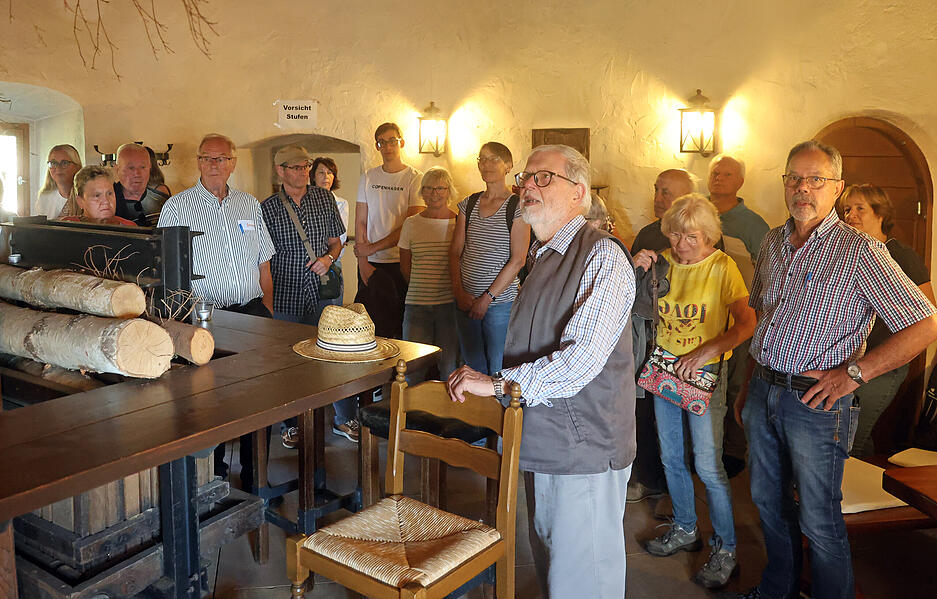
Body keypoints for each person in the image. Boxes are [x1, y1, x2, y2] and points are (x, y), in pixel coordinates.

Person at [726, 141, 937, 599]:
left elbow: (924, 324)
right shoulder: (772, 242)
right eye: (794, 178)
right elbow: (764, 318)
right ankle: (778, 590)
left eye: (816, 179)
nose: (803, 188)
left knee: (819, 518)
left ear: (837, 188)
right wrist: (748, 388)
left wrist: (854, 375)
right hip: (764, 390)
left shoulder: (859, 251)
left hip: (816, 403)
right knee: (768, 503)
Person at [447, 144, 636, 598]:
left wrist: (495, 385)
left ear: (580, 192)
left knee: (584, 578)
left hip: (584, 445)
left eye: (542, 178)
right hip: (547, 437)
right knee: (555, 560)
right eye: (524, 179)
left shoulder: (603, 257)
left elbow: (579, 362)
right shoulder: (543, 255)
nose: (526, 186)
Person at [633, 194, 755, 589]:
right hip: (664, 374)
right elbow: (634, 309)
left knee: (708, 465)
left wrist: (710, 348)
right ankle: (686, 528)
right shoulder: (664, 261)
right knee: (671, 458)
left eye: (692, 237)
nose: (682, 244)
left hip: (704, 378)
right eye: (676, 235)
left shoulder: (722, 266)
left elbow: (746, 323)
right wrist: (637, 269)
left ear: (709, 236)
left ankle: (726, 548)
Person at [158, 133, 276, 487]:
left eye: (221, 159)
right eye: (207, 158)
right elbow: (167, 271)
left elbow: (264, 262)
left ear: (233, 163)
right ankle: (216, 475)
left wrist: (265, 308)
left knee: (260, 396)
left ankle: (257, 474)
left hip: (253, 313)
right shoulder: (177, 207)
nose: (214, 165)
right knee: (212, 400)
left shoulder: (249, 205)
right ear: (197, 162)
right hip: (205, 318)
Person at [261, 146, 354, 445]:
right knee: (288, 362)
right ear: (280, 171)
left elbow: (336, 243)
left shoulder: (324, 199)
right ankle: (292, 424)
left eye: (306, 166)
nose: (303, 172)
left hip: (321, 292)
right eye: (296, 167)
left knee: (329, 355)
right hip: (285, 293)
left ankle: (337, 419)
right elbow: (262, 257)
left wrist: (328, 258)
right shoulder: (268, 208)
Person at [838, 183, 936, 456]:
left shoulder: (900, 255)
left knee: (851, 439)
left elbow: (930, 314)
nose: (851, 215)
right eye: (847, 209)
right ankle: (871, 491)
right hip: (849, 360)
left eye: (860, 208)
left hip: (882, 364)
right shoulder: (849, 252)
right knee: (852, 435)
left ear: (880, 214)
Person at [628, 167, 696, 505]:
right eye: (656, 189)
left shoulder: (702, 236)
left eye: (666, 191)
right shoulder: (646, 233)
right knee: (644, 413)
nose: (658, 197)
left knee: (677, 420)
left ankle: (676, 493)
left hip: (683, 342)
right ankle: (650, 479)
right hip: (647, 340)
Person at [707, 153, 771, 479]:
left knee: (735, 386)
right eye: (715, 173)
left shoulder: (752, 225)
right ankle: (706, 450)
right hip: (703, 318)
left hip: (741, 319)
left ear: (740, 182)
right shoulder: (698, 213)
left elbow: (769, 273)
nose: (719, 178)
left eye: (727, 174)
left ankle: (732, 452)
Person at [449, 142, 530, 375]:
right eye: (482, 159)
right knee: (472, 370)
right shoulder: (469, 204)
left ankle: (501, 412)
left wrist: (487, 298)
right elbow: (455, 252)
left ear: (508, 166)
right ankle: (476, 413)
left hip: (500, 304)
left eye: (494, 159)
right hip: (465, 300)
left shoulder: (517, 206)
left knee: (499, 371)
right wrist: (459, 292)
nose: (486, 164)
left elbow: (518, 260)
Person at [353, 122, 423, 339]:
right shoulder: (368, 177)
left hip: (401, 261)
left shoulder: (414, 177)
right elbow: (360, 220)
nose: (388, 146)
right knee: (369, 326)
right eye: (382, 142)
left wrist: (371, 248)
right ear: (377, 146)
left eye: (392, 141)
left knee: (398, 325)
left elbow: (410, 224)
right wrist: (363, 262)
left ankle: (398, 372)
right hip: (371, 264)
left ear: (401, 142)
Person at [308, 155, 359, 442]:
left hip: (330, 266)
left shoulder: (339, 202)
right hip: (303, 270)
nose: (325, 176)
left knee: (334, 336)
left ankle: (342, 416)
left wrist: (327, 257)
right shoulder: (293, 202)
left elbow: (337, 236)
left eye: (330, 172)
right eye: (321, 172)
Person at [398, 167, 459, 380]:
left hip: (449, 305)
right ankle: (413, 413)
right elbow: (405, 265)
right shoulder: (411, 223)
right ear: (422, 192)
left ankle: (444, 412)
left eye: (440, 188)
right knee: (413, 368)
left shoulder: (458, 223)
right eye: (430, 188)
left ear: (449, 191)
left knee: (449, 366)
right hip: (416, 306)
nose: (435, 193)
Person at [631, 168, 696, 253]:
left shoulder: (703, 236)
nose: (657, 199)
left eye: (665, 193)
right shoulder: (646, 235)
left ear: (686, 198)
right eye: (656, 190)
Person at [59, 166, 136, 226]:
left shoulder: (130, 228)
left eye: (109, 193)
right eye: (97, 196)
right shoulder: (67, 227)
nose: (106, 201)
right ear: (80, 201)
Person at [114, 143, 169, 226]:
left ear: (150, 167)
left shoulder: (163, 203)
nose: (137, 174)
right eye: (131, 168)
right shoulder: (106, 204)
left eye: (142, 167)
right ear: (117, 169)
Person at [37, 144, 82, 217]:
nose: (58, 168)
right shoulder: (44, 197)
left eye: (64, 163)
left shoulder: (86, 196)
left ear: (77, 166)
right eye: (54, 163)